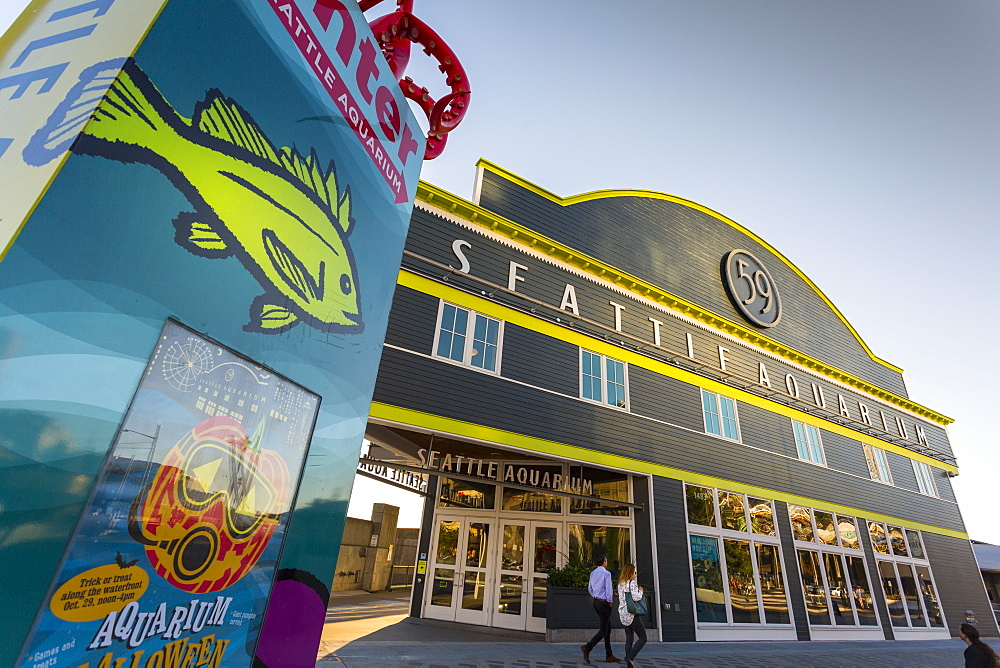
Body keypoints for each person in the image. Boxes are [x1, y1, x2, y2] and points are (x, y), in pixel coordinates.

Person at [581, 554, 620, 664]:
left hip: (596, 602)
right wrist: (610, 601)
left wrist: (595, 595)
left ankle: (609, 654)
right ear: (604, 562)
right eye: (606, 561)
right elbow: (608, 589)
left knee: (607, 628)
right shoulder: (606, 573)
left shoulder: (593, 573)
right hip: (604, 603)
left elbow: (590, 588)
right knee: (604, 630)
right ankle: (588, 647)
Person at [617, 563, 646, 668]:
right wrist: (641, 592)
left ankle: (629, 662)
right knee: (643, 638)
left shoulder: (620, 584)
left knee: (629, 637)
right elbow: (636, 598)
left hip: (623, 613)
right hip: (632, 613)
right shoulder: (632, 583)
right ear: (631, 572)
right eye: (634, 572)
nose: (635, 574)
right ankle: (630, 657)